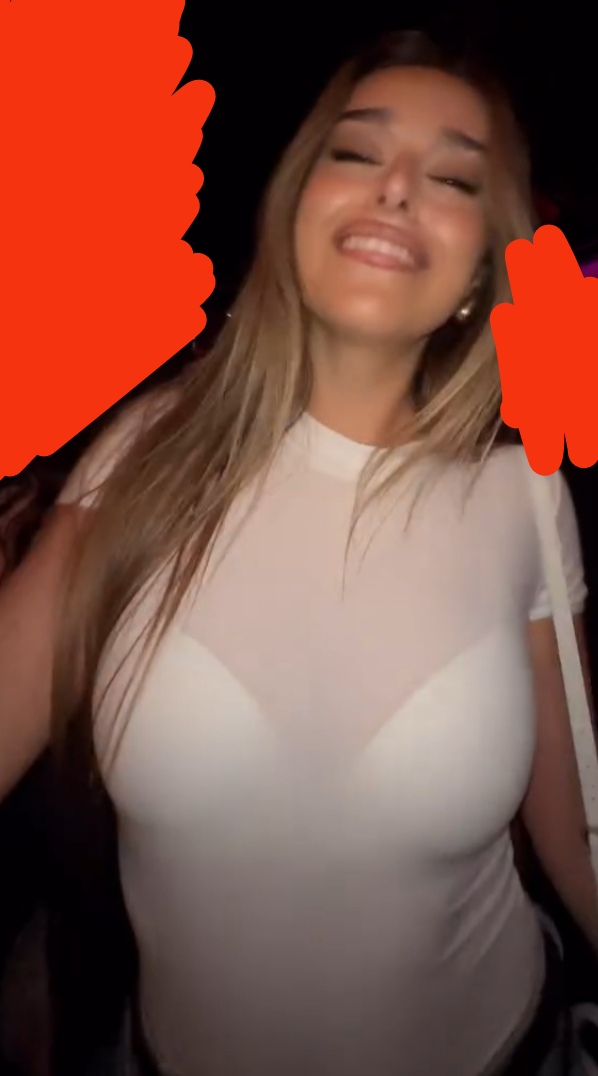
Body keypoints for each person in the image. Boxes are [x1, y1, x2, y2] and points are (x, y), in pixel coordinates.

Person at [0, 28, 595, 1076]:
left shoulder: (526, 496)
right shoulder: (141, 453)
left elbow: (579, 827)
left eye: (453, 177)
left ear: (480, 270)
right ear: (292, 208)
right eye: (356, 152)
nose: (397, 188)